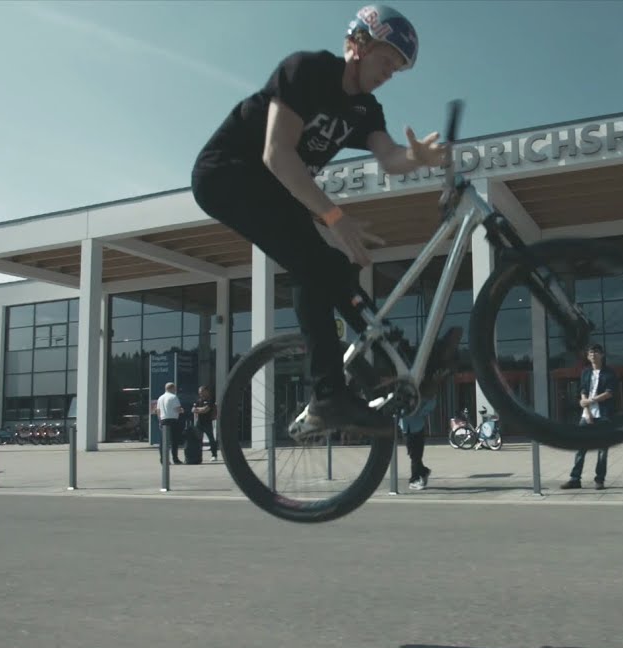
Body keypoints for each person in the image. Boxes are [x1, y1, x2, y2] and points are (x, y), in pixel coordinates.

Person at [190, 5, 450, 438]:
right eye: (387, 61)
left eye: (398, 70)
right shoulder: (307, 71)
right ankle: (327, 396)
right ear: (358, 45)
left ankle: (390, 356)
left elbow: (388, 156)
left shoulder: (366, 111)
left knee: (334, 268)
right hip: (227, 174)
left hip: (275, 188)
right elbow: (276, 153)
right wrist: (334, 216)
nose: (390, 73)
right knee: (314, 265)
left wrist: (416, 159)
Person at [561, 344, 615, 490]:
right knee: (580, 447)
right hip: (586, 415)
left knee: (602, 450)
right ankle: (575, 479)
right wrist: (587, 409)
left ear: (602, 355)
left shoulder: (609, 373)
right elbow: (583, 391)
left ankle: (599, 480)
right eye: (590, 352)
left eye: (596, 352)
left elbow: (609, 393)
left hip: (603, 415)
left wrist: (590, 401)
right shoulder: (585, 372)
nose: (593, 354)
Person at [399, 397, 436, 490]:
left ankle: (414, 479)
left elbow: (432, 402)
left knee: (416, 456)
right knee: (413, 455)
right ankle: (423, 472)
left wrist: (419, 411)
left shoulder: (418, 394)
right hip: (406, 428)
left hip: (417, 427)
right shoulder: (400, 395)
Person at [151, 382, 185, 465]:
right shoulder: (174, 397)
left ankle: (163, 459)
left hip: (163, 420)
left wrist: (160, 420)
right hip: (173, 420)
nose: (175, 390)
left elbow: (158, 411)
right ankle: (175, 459)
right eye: (174, 388)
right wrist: (182, 410)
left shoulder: (160, 398)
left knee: (163, 441)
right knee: (174, 441)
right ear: (172, 388)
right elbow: (177, 409)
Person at [192, 385, 218, 462]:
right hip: (199, 422)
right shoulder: (198, 400)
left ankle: (214, 455)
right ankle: (198, 455)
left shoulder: (210, 400)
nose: (200, 394)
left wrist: (198, 410)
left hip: (207, 422)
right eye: (199, 392)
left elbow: (206, 409)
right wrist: (200, 409)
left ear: (206, 391)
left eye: (202, 392)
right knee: (198, 439)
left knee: (211, 439)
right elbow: (193, 409)